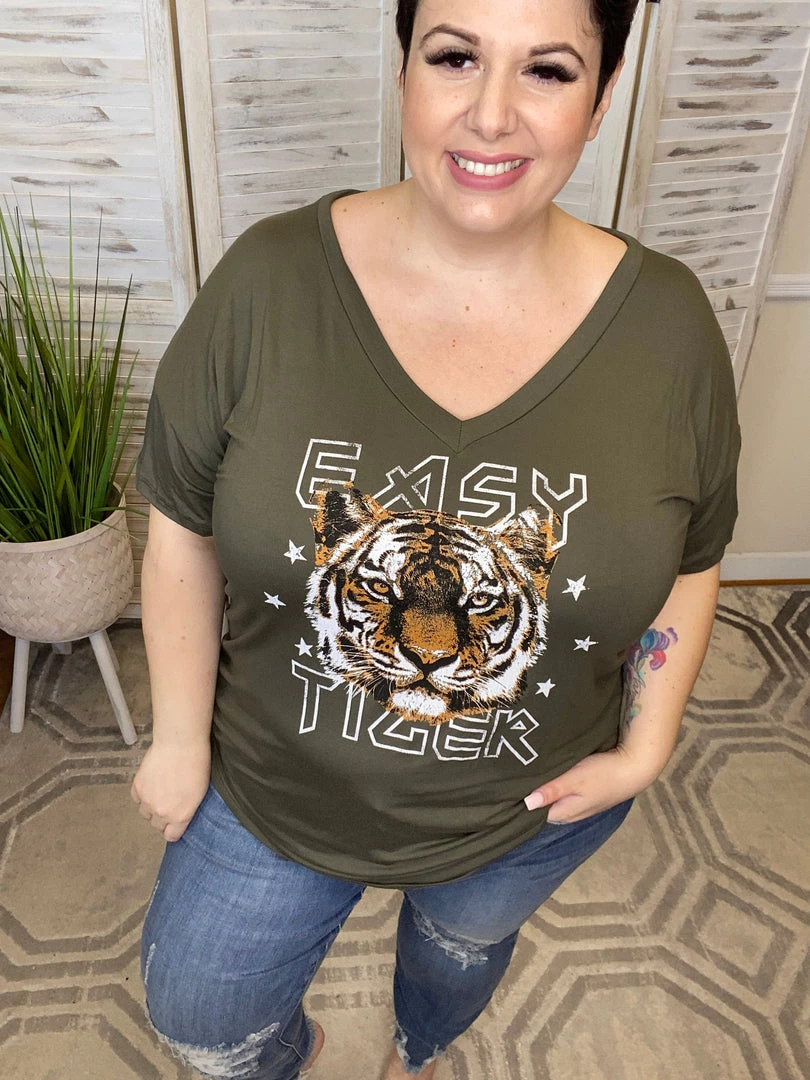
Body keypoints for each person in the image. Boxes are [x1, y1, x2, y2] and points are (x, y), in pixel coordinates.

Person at [131, 0, 740, 1076]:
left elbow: (692, 559)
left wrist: (648, 747)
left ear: (601, 99)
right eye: (455, 57)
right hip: (271, 784)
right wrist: (179, 740)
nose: (491, 115)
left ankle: (415, 1047)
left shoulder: (670, 324)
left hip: (524, 809)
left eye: (548, 71)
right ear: (405, 68)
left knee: (455, 955)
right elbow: (181, 524)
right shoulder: (268, 279)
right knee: (199, 1018)